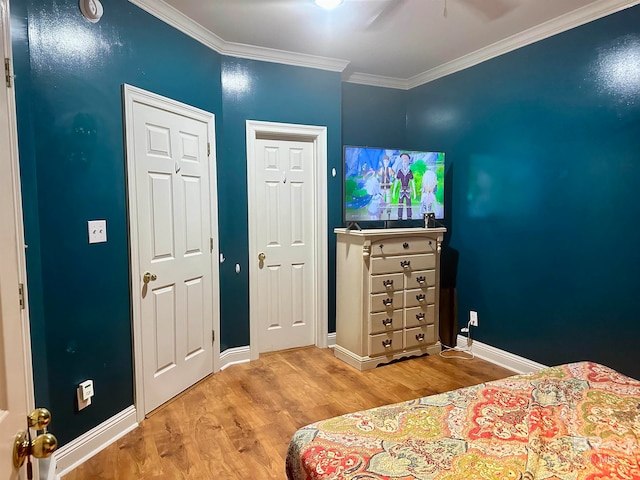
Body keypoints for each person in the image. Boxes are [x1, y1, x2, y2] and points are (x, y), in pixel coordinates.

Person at [395, 153, 415, 220]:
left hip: (408, 190)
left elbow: (412, 182)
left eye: (405, 162)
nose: (404, 163)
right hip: (401, 189)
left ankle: (409, 218)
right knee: (400, 204)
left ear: (408, 162)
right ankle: (399, 218)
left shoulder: (410, 171)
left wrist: (414, 193)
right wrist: (394, 192)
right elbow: (396, 181)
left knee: (409, 205)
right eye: (403, 162)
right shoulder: (400, 171)